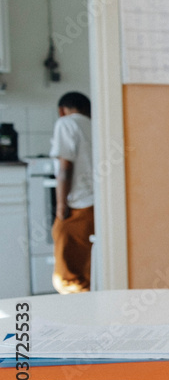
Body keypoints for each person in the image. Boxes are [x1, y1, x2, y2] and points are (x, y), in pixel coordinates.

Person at [50, 91, 94, 293]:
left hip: (78, 203)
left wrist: (61, 206)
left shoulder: (66, 123)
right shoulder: (96, 124)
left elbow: (65, 167)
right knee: (88, 269)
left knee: (68, 278)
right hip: (96, 203)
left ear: (62, 110)